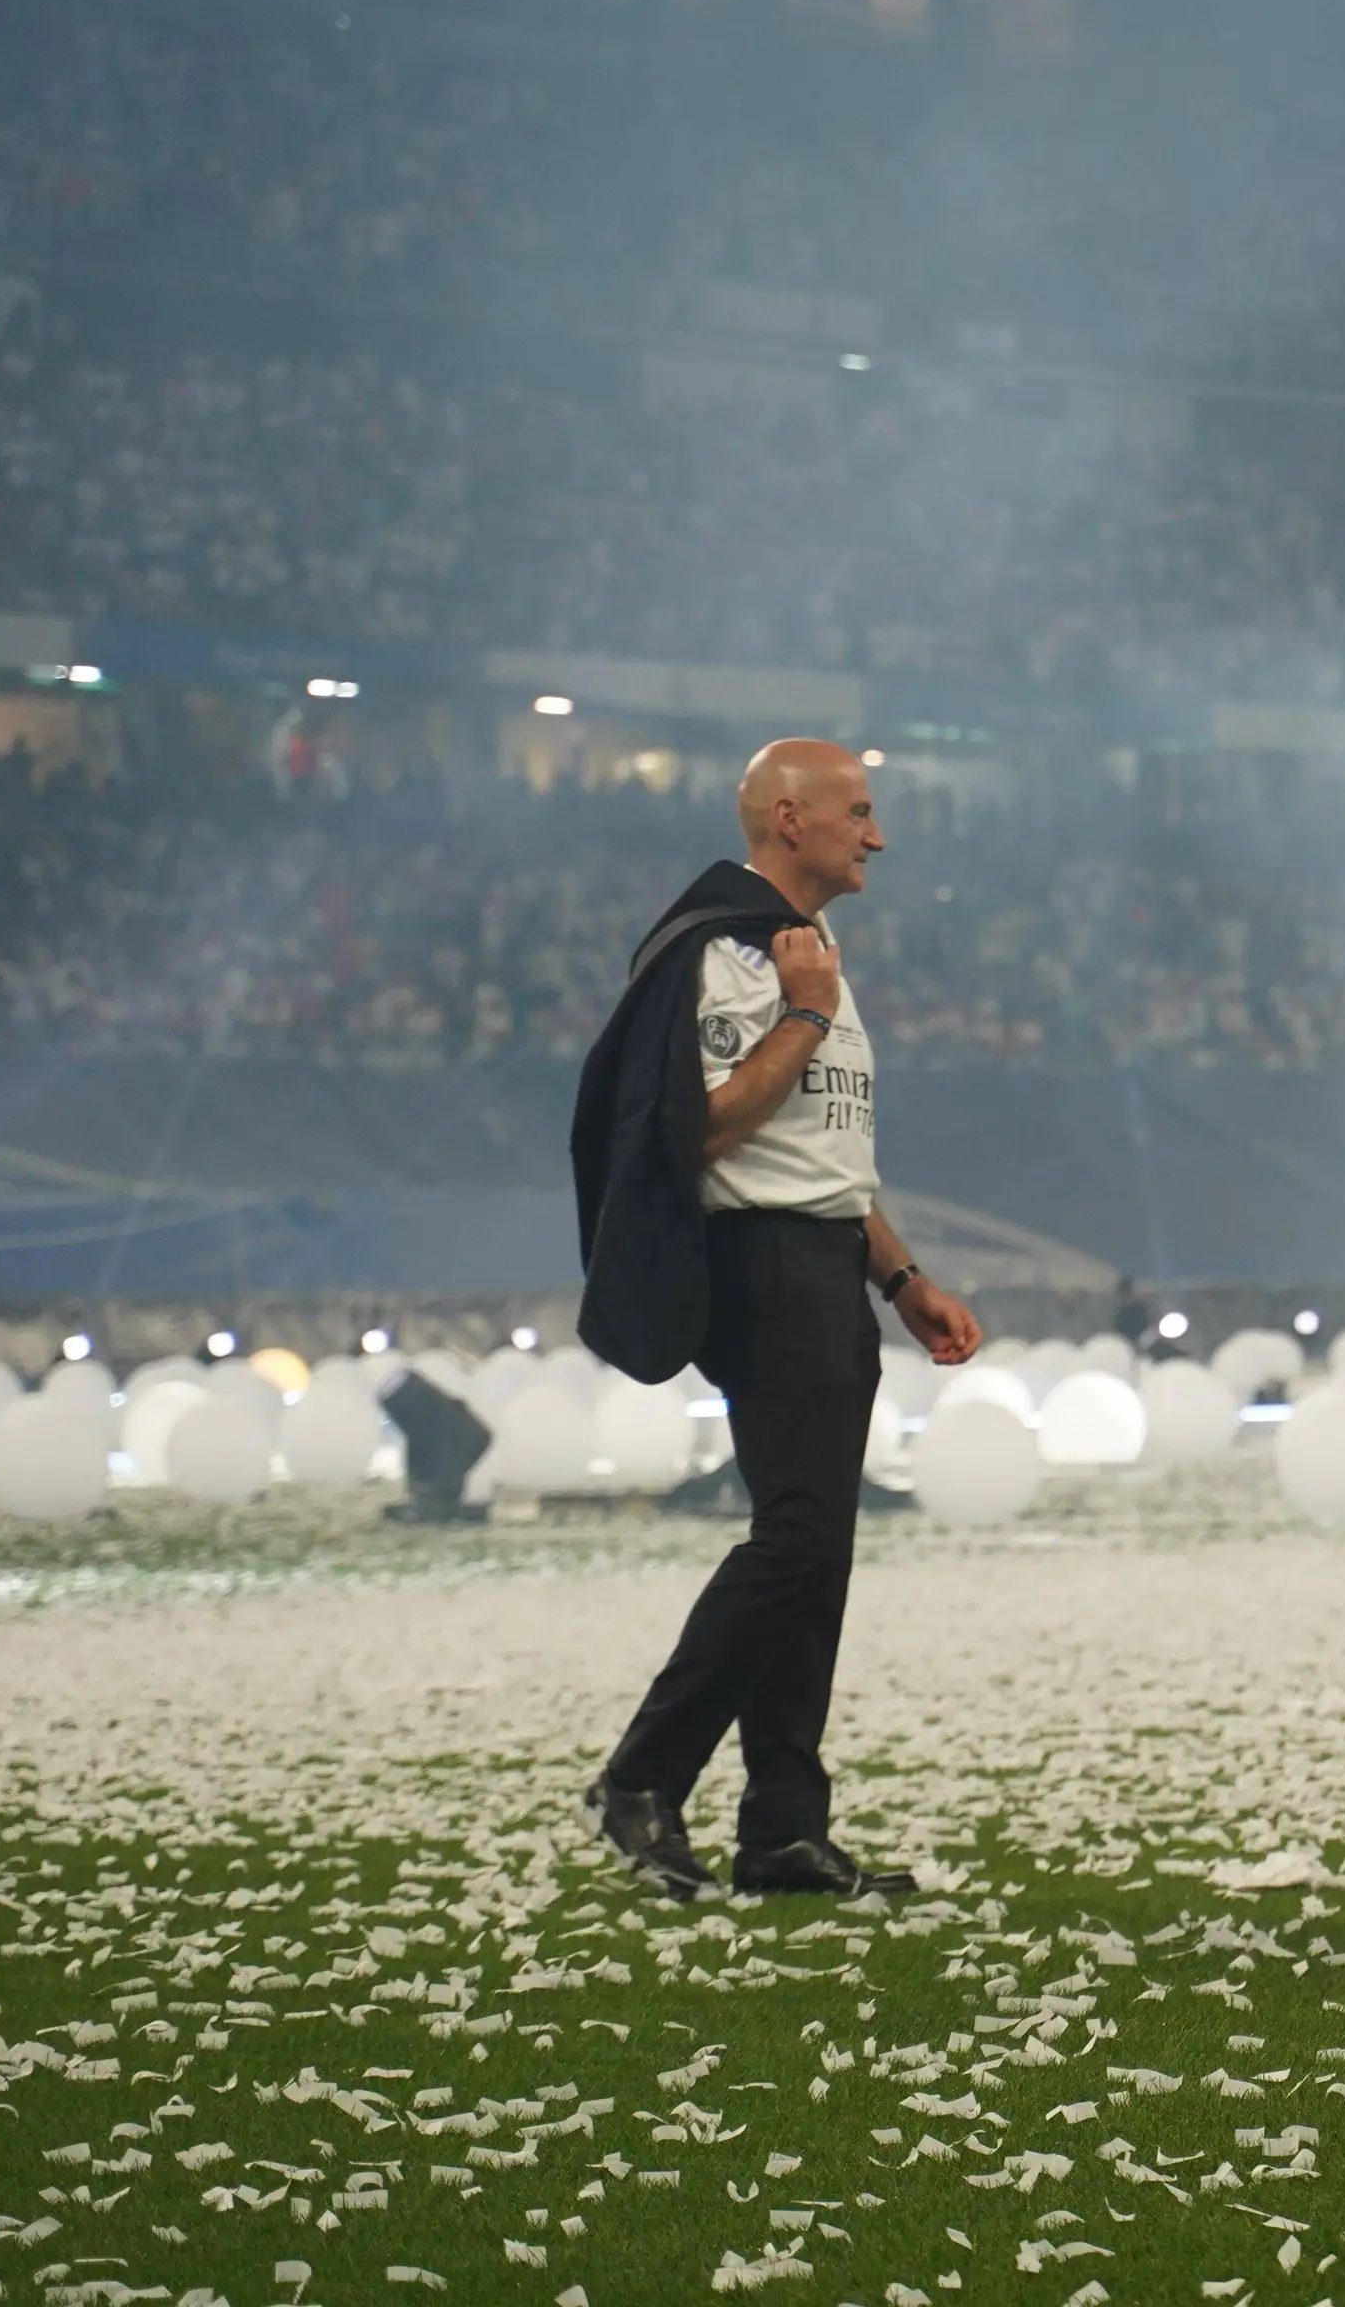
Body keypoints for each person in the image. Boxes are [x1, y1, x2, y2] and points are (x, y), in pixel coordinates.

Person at [572, 738, 984, 1900]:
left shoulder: (803, 954)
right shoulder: (727, 952)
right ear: (788, 819)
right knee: (799, 1538)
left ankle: (783, 1827)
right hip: (757, 1264)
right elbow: (697, 1132)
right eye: (858, 811)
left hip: (825, 1259)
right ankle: (642, 1775)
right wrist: (803, 1014)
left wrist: (902, 1280)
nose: (878, 833)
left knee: (819, 1550)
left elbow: (825, 1154)